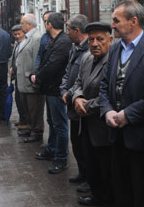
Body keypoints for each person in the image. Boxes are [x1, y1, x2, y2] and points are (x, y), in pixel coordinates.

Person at [99, 0, 144, 207]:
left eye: (116, 20)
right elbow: (105, 85)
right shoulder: (115, 49)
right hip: (116, 135)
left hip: (142, 138)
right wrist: (107, 112)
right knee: (121, 191)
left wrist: (128, 114)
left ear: (133, 21)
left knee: (143, 194)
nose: (112, 25)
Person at [71, 22, 113, 206]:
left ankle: (107, 199)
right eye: (91, 40)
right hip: (85, 123)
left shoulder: (113, 61)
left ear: (110, 40)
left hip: (103, 125)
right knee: (92, 163)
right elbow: (77, 82)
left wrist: (86, 106)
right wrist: (77, 98)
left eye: (100, 39)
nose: (95, 43)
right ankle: (96, 196)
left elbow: (109, 93)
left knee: (106, 168)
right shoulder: (87, 58)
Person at [31, 12, 72, 174]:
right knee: (52, 121)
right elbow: (42, 59)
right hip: (50, 88)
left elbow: (52, 65)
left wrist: (38, 77)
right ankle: (52, 149)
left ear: (50, 25)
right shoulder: (55, 40)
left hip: (56, 89)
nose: (45, 24)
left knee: (60, 124)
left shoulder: (63, 42)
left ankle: (61, 158)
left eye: (46, 22)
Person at [59, 14, 91, 190]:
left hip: (82, 104)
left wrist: (71, 93)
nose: (67, 32)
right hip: (71, 102)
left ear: (77, 31)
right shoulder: (74, 48)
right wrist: (64, 90)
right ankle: (82, 172)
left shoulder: (88, 50)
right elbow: (68, 72)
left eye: (68, 29)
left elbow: (83, 78)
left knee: (85, 143)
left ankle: (89, 177)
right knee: (76, 142)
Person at [16, 14, 44, 143]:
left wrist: (34, 76)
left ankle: (36, 131)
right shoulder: (27, 37)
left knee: (34, 109)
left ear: (29, 24)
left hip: (30, 80)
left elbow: (36, 60)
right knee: (27, 107)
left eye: (22, 23)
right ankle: (30, 127)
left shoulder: (36, 38)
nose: (21, 26)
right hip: (23, 81)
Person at [9, 25, 25, 130]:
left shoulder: (25, 43)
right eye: (15, 34)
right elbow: (13, 56)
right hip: (17, 75)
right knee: (18, 99)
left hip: (24, 76)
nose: (17, 36)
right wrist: (11, 66)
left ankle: (26, 122)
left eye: (19, 34)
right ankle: (22, 119)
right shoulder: (16, 44)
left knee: (23, 101)